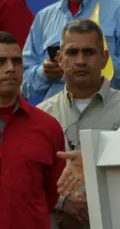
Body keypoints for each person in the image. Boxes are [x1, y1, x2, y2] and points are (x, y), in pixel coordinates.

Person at [37, 19, 120, 229]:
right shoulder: (41, 115)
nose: (81, 61)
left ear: (104, 59)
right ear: (59, 59)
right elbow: (29, 179)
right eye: (72, 52)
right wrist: (63, 201)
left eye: (89, 52)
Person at [0, 31, 66, 229]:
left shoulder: (48, 126)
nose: (11, 68)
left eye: (17, 61)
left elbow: (52, 194)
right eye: (1, 61)